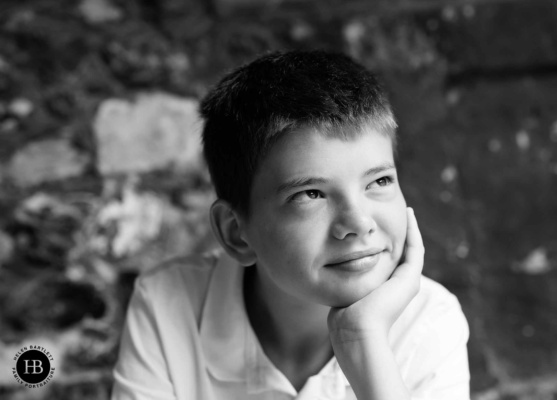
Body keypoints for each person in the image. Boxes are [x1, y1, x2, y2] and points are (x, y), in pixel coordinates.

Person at [111, 50, 470, 400]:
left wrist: (362, 340)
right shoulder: (169, 302)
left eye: (379, 182)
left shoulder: (429, 320)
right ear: (237, 233)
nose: (359, 223)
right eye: (311, 194)